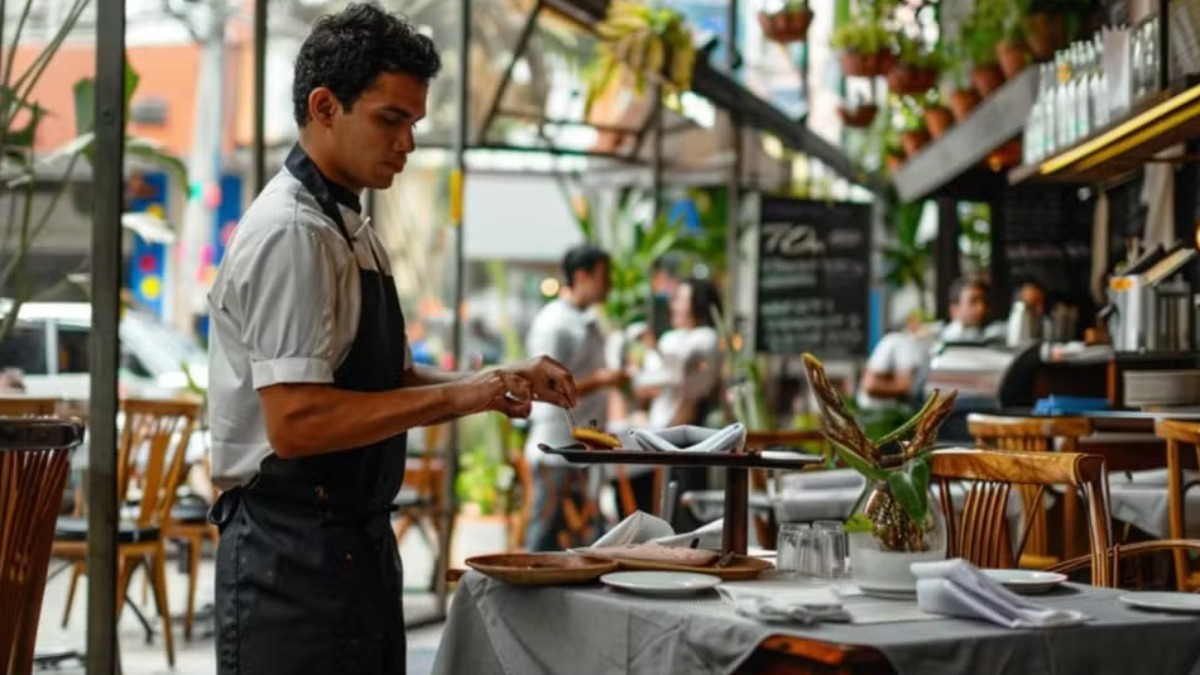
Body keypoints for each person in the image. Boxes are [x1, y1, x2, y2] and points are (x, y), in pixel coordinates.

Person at [204, 7, 576, 674]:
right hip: (287, 555)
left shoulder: (349, 225)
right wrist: (465, 395)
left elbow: (389, 379)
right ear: (325, 106)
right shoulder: (294, 232)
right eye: (390, 119)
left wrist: (499, 378)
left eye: (414, 123)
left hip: (350, 544)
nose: (407, 142)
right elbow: (297, 420)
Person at [523, 244, 626, 551]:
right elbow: (544, 388)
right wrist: (602, 380)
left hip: (581, 446)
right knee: (545, 536)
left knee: (581, 537)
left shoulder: (586, 320)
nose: (609, 285)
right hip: (555, 447)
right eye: (603, 276)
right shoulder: (555, 323)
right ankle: (526, 597)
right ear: (582, 276)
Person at [637, 276, 724, 530]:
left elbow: (690, 383)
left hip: (685, 430)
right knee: (661, 499)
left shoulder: (706, 338)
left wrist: (658, 355)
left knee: (684, 498)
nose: (674, 305)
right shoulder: (669, 339)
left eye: (681, 299)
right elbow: (648, 384)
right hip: (658, 430)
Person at [857, 309, 932, 413]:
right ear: (912, 322)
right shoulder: (901, 342)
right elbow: (871, 385)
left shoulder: (913, 344)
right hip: (881, 415)